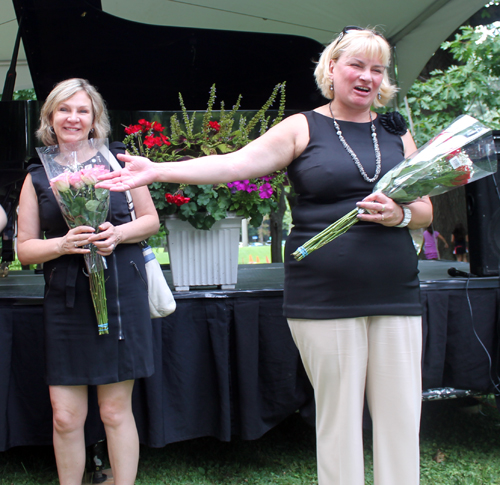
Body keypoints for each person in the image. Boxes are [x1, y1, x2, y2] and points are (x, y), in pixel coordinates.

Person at [97, 27, 433, 485]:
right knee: (339, 416)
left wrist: (398, 214)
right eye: (357, 65)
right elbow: (234, 164)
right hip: (324, 294)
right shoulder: (303, 126)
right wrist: (158, 170)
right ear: (332, 68)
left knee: (401, 414)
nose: (367, 77)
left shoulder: (397, 133)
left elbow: (426, 211)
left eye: (377, 69)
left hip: (395, 291)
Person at [17, 78, 160, 485]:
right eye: (64, 109)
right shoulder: (37, 176)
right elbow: (24, 249)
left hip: (119, 294)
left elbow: (150, 221)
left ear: (96, 118)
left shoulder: (120, 162)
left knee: (115, 411)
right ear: (50, 117)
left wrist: (118, 233)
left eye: (82, 110)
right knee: (65, 417)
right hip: (65, 299)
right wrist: (61, 245)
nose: (73, 118)